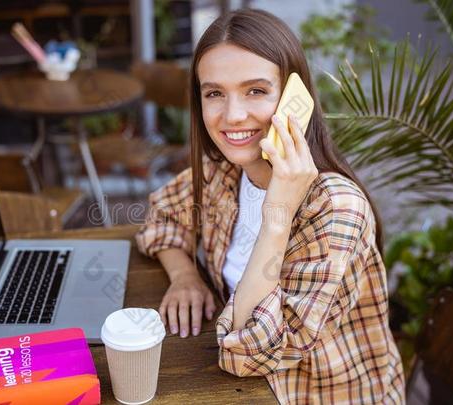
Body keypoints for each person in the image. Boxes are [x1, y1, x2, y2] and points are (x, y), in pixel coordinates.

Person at [135, 8, 405, 404]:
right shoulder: (223, 171)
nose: (233, 115)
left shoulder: (336, 209)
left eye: (256, 91)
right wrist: (183, 276)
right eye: (214, 93)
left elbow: (250, 354)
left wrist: (278, 211)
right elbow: (161, 215)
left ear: (296, 100)